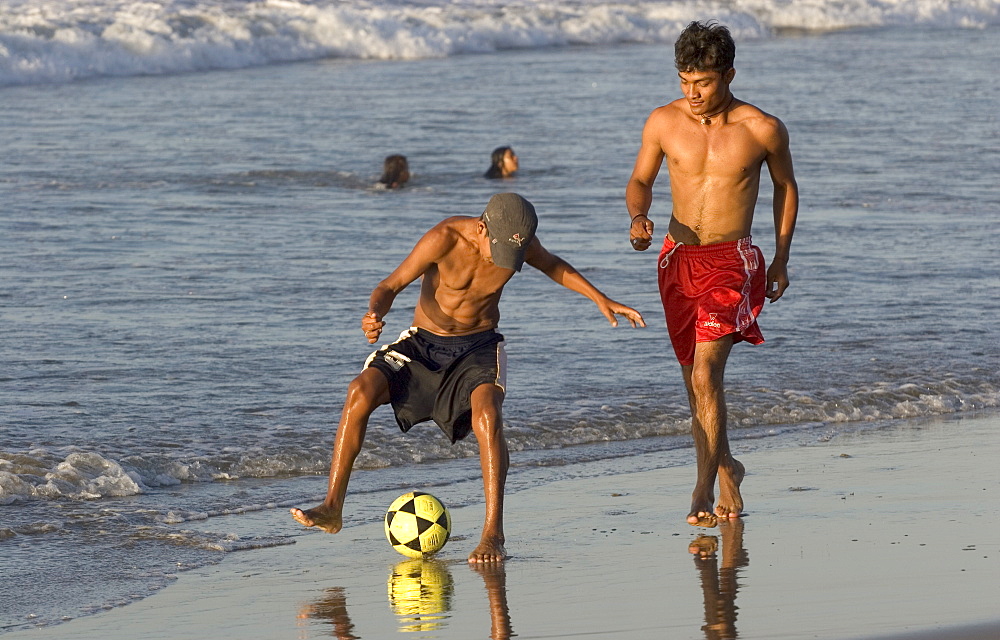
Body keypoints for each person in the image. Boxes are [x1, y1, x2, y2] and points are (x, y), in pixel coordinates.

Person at [292, 193, 645, 562]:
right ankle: (333, 506)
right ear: (481, 229)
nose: (506, 261)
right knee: (359, 391)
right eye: (500, 250)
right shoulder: (444, 238)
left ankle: (493, 533)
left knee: (488, 415)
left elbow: (554, 265)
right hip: (423, 343)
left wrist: (599, 298)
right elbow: (390, 285)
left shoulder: (518, 244)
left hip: (478, 347)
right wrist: (374, 313)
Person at [625, 21, 798, 527]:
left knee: (706, 374)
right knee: (694, 384)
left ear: (729, 74)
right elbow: (639, 179)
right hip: (678, 258)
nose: (692, 93)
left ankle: (700, 486)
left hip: (731, 260)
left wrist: (782, 258)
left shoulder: (761, 129)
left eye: (702, 82)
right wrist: (638, 217)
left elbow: (786, 188)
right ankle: (728, 470)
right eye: (684, 81)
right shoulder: (663, 121)